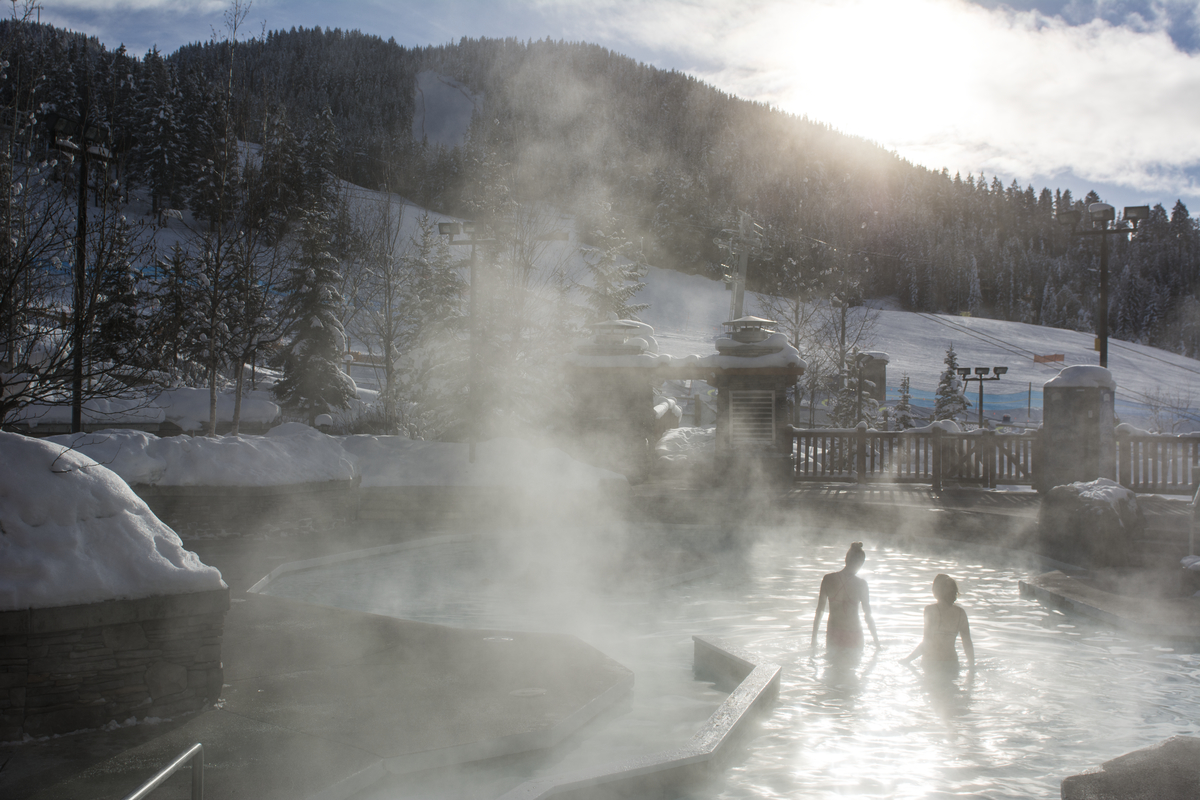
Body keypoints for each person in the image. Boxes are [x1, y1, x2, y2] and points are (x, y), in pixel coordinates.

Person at [811, 541, 879, 650]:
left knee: (832, 665)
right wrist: (877, 643)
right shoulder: (861, 584)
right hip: (854, 634)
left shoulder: (828, 579)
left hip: (833, 634)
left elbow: (820, 611)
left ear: (846, 559)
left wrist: (813, 639)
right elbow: (868, 615)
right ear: (860, 563)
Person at [901, 573, 974, 669]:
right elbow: (967, 643)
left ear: (936, 591)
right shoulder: (961, 613)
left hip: (931, 663)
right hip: (952, 664)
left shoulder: (930, 610)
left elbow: (927, 643)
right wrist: (972, 667)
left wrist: (907, 660)